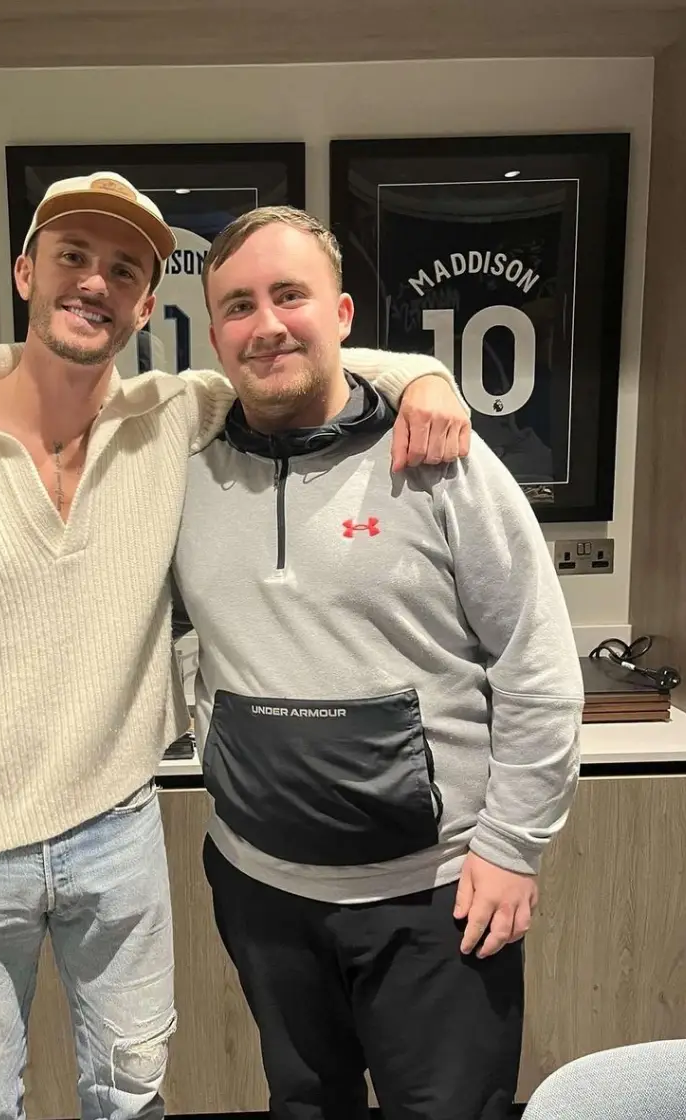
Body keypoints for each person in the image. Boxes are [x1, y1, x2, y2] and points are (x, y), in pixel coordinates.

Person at [0, 172, 471, 1120]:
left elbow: (296, 357)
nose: (94, 282)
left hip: (115, 829)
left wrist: (425, 375)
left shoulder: (172, 419)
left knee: (132, 1095)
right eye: (72, 257)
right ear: (24, 272)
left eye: (122, 269)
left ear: (142, 305)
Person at [170, 205, 585, 1120]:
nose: (267, 323)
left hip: (433, 897)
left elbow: (537, 663)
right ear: (214, 334)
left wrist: (514, 849)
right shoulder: (185, 471)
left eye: (291, 295)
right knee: (304, 1105)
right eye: (239, 305)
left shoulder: (441, 462)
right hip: (260, 888)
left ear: (346, 315)